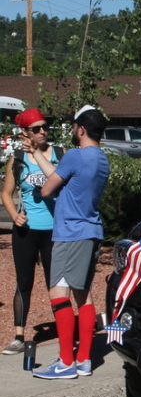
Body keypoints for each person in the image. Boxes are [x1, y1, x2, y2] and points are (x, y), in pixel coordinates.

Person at [26, 105, 110, 379]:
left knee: (57, 295)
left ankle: (65, 362)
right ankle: (83, 360)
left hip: (70, 233)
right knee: (83, 295)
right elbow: (62, 175)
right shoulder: (100, 158)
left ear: (82, 128)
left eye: (74, 125)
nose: (72, 130)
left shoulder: (75, 155)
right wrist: (36, 153)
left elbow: (49, 187)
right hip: (91, 232)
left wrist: (42, 189)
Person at [1, 109, 62, 355]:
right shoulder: (17, 159)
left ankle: (64, 332)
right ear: (25, 133)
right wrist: (15, 215)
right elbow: (6, 193)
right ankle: (19, 335)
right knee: (24, 283)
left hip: (54, 231)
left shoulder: (61, 155)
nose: (42, 132)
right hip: (26, 231)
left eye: (44, 127)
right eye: (36, 128)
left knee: (56, 284)